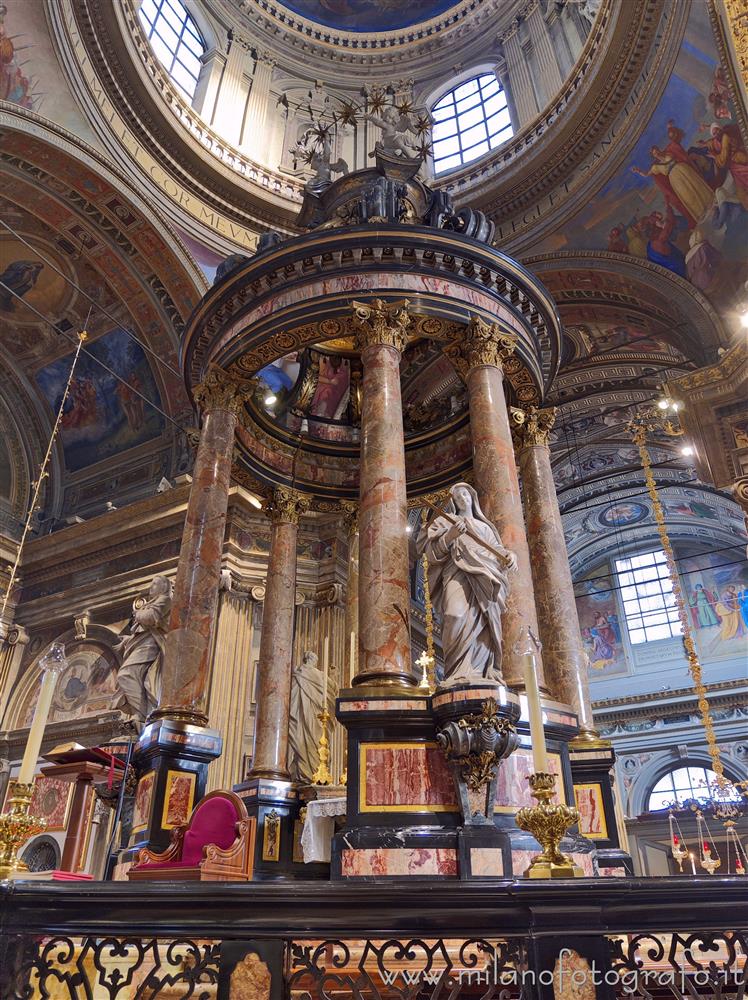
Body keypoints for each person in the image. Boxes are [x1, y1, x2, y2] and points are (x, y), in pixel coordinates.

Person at [423, 482, 517, 687]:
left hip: (484, 577)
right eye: (457, 497)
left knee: (483, 622)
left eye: (465, 494)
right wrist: (451, 535)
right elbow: (432, 553)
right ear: (453, 503)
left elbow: (497, 552)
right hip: (456, 573)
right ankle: (457, 672)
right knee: (454, 615)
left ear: (472, 497)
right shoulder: (446, 522)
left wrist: (510, 556)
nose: (462, 498)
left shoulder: (485, 527)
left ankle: (480, 672)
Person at [113, 576, 172, 723]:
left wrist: (138, 613)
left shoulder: (165, 599)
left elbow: (151, 617)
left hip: (152, 644)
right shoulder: (154, 602)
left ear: (164, 587)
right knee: (134, 676)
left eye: (154, 585)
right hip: (144, 643)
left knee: (126, 674)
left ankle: (140, 715)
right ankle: (140, 714)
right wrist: (129, 640)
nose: (150, 588)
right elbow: (143, 629)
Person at [289, 650, 334, 783]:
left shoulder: (298, 673)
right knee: (309, 743)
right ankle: (308, 774)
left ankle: (309, 774)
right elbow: (333, 688)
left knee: (312, 743)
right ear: (312, 660)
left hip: (313, 717)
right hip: (308, 716)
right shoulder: (319, 675)